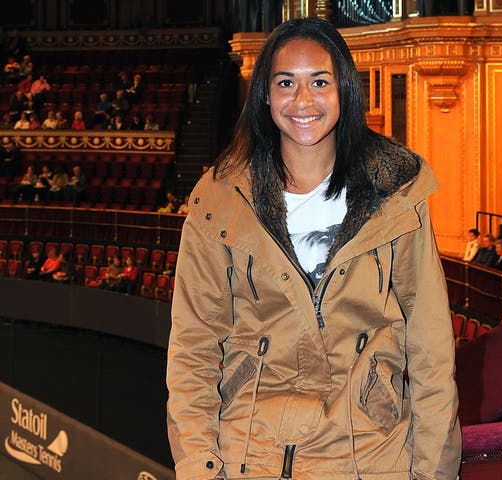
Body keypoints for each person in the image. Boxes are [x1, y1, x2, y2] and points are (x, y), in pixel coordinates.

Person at [166, 18, 461, 480]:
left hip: (370, 458)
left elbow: (431, 350)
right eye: (286, 83)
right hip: (250, 458)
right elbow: (194, 349)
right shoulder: (219, 201)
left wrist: (433, 472)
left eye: (319, 82)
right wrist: (201, 468)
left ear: (343, 88)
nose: (303, 100)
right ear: (265, 94)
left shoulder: (397, 194)